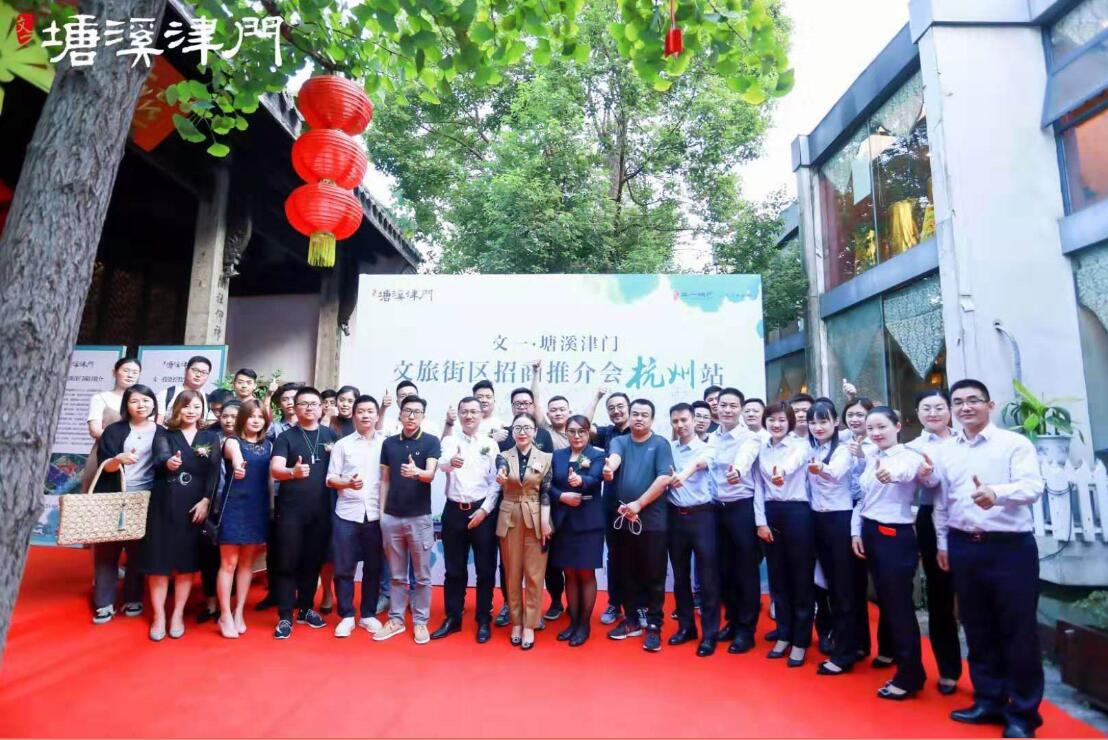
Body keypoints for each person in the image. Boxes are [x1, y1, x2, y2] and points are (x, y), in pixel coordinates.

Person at [932, 379, 1044, 738]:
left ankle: (1023, 713)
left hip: (1009, 548)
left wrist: (996, 493)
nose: (965, 407)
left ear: (989, 405)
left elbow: (1033, 487)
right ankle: (988, 700)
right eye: (958, 402)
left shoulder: (1014, 444)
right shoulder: (947, 451)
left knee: (1018, 631)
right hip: (964, 545)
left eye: (973, 400)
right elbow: (942, 502)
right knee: (976, 627)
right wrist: (943, 543)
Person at [851, 406, 926, 700]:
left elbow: (904, 472)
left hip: (894, 535)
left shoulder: (908, 456)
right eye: (871, 428)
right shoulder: (872, 456)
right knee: (886, 602)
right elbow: (863, 498)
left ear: (897, 426)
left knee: (898, 606)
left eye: (881, 426)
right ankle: (898, 658)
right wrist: (857, 531)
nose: (876, 433)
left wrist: (890, 474)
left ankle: (910, 675)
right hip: (871, 530)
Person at [141, 391, 218, 641]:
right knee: (159, 562)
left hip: (194, 505)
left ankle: (177, 614)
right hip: (164, 502)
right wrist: (169, 464)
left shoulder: (210, 437)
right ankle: (158, 617)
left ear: (202, 409)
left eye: (196, 406)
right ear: (177, 409)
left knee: (186, 562)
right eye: (186, 406)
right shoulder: (165, 434)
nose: (191, 411)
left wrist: (206, 501)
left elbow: (214, 473)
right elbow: (160, 458)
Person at [603, 399, 674, 652]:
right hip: (625, 518)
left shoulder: (660, 444)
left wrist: (639, 504)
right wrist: (609, 469)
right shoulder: (620, 441)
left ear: (652, 419)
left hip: (652, 520)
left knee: (654, 574)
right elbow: (614, 458)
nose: (639, 418)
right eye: (635, 414)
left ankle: (654, 625)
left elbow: (664, 478)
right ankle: (631, 619)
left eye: (645, 415)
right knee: (626, 572)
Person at [269, 387, 338, 639]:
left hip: (321, 511)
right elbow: (275, 469)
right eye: (303, 404)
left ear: (321, 408)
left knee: (312, 562)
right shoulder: (286, 437)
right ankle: (285, 615)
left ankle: (306, 609)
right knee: (287, 562)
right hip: (291, 512)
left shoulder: (331, 435)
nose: (309, 408)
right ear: (295, 408)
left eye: (313, 403)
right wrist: (292, 473)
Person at [90, 384, 163, 624]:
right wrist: (118, 459)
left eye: (146, 400)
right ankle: (104, 602)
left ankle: (134, 597)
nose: (141, 405)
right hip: (113, 496)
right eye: (135, 401)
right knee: (107, 551)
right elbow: (105, 466)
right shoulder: (114, 430)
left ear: (153, 403)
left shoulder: (163, 432)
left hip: (146, 499)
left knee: (138, 552)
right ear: (126, 406)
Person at [432, 397, 502, 644]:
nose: (469, 416)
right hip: (454, 511)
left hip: (483, 512)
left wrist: (485, 510)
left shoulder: (490, 444)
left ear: (482, 415)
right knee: (454, 569)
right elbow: (440, 465)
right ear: (459, 414)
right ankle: (453, 617)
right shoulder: (450, 441)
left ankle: (483, 619)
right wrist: (451, 463)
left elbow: (496, 481)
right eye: (464, 412)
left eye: (474, 412)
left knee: (485, 569)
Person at [906, 389, 962, 695]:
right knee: (940, 597)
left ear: (949, 410)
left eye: (939, 407)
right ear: (917, 413)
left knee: (975, 597)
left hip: (969, 515)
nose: (933, 413)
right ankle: (949, 669)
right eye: (926, 408)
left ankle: (991, 672)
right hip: (930, 518)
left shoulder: (964, 441)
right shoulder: (913, 448)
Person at [375, 395, 440, 645]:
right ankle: (396, 620)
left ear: (423, 416)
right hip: (391, 518)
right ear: (400, 414)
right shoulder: (389, 443)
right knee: (396, 575)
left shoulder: (431, 441)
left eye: (417, 412)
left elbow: (430, 475)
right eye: (407, 411)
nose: (411, 416)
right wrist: (382, 514)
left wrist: (416, 472)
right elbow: (384, 480)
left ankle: (420, 622)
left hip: (419, 519)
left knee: (422, 576)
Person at [806, 400, 865, 676]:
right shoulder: (812, 448)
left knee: (843, 590)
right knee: (825, 586)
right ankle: (851, 644)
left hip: (839, 521)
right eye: (813, 422)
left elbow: (835, 474)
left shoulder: (843, 449)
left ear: (835, 423)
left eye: (823, 421)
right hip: (816, 520)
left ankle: (844, 654)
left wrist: (820, 469)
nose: (818, 427)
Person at [754, 401, 813, 667]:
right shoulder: (762, 447)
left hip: (797, 513)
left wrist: (782, 473)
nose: (776, 424)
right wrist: (761, 522)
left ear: (790, 422)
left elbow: (793, 462)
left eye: (781, 420)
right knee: (778, 580)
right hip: (771, 513)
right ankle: (784, 633)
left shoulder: (801, 445)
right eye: (771, 420)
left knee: (800, 580)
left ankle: (800, 641)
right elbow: (758, 487)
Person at [495, 387, 557, 626]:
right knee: (511, 572)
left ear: (535, 431)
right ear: (512, 431)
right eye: (518, 428)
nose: (522, 432)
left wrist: (545, 522)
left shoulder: (545, 457)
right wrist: (501, 475)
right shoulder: (503, 454)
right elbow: (500, 469)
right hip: (509, 516)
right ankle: (516, 621)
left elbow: (546, 491)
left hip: (536, 515)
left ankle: (531, 622)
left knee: (534, 572)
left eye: (527, 428)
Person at [326, 394, 386, 638]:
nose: (365, 415)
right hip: (347, 514)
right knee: (344, 567)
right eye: (360, 411)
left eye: (370, 411)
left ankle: (368, 614)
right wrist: (347, 484)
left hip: (376, 515)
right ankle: (347, 615)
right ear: (353, 416)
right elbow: (331, 479)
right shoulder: (343, 445)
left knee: (374, 567)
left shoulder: (386, 444)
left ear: (377, 416)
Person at [709, 387, 763, 654]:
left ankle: (746, 630)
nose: (727, 410)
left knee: (746, 571)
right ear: (716, 408)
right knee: (724, 570)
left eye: (733, 406)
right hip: (715, 510)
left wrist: (737, 471)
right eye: (723, 405)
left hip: (741, 509)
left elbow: (745, 459)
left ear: (740, 409)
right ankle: (731, 621)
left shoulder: (750, 438)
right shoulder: (711, 438)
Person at [666, 403, 721, 657]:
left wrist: (684, 474)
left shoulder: (707, 447)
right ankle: (686, 627)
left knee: (708, 578)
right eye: (675, 421)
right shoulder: (669, 448)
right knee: (680, 577)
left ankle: (709, 634)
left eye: (684, 420)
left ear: (694, 420)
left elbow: (700, 464)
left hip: (703, 517)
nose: (680, 425)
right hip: (675, 518)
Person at [214, 399, 271, 639]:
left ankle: (239, 612)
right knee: (228, 563)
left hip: (257, 508)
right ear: (242, 419)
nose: (256, 421)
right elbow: (235, 456)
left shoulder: (269, 445)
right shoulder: (232, 441)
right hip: (233, 507)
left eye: (260, 417)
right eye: (251, 416)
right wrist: (238, 466)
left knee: (247, 564)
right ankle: (225, 614)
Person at [548, 414, 606, 646]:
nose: (577, 436)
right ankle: (572, 622)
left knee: (585, 573)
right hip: (563, 523)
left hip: (588, 523)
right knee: (569, 573)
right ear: (566, 433)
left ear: (588, 432)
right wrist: (561, 496)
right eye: (572, 431)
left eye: (581, 431)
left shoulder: (597, 454)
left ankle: (584, 624)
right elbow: (547, 485)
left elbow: (595, 479)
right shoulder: (557, 456)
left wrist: (580, 481)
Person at [196, 398, 241, 625]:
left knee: (232, 560)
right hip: (211, 503)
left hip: (236, 506)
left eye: (234, 416)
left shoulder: (249, 439)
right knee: (209, 556)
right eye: (225, 416)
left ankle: (228, 606)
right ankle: (211, 603)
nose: (229, 420)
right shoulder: (208, 437)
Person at [589, 391, 631, 626]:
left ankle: (640, 605)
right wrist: (596, 398)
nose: (616, 411)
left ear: (629, 407)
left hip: (638, 503)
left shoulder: (639, 431)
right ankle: (615, 603)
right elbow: (584, 425)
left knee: (639, 555)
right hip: (611, 503)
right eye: (611, 407)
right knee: (614, 555)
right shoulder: (607, 433)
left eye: (620, 406)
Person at [81, 356, 141, 493]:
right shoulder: (101, 398)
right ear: (115, 372)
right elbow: (95, 430)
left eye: (135, 372)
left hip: (134, 458)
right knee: (98, 498)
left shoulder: (142, 400)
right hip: (104, 454)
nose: (130, 375)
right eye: (126, 370)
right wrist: (123, 440)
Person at [157, 355, 213, 424]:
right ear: (186, 370)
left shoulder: (209, 400)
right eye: (195, 370)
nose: (198, 375)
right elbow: (158, 423)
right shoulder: (166, 394)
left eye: (203, 372)